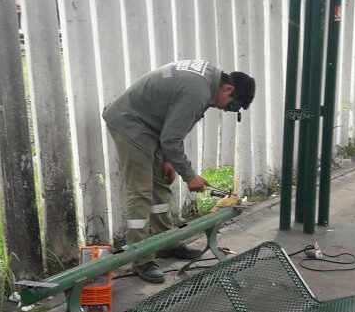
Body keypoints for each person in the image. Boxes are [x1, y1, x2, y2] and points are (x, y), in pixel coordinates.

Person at [103, 60, 255, 283]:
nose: (225, 109)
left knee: (160, 186)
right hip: (131, 125)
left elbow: (171, 123)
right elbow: (171, 138)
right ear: (228, 89)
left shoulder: (208, 80)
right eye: (231, 106)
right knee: (141, 192)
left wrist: (167, 159)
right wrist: (190, 176)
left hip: (148, 124)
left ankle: (166, 243)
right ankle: (141, 259)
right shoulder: (198, 92)